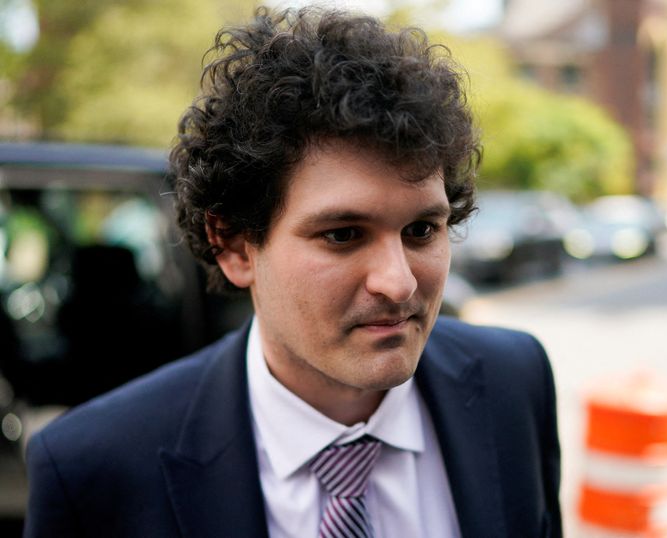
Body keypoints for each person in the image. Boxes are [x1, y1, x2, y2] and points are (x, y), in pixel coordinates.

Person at [24, 6, 561, 537]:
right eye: (343, 235)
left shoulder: (515, 381)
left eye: (421, 230)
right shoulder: (93, 470)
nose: (398, 282)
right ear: (235, 246)